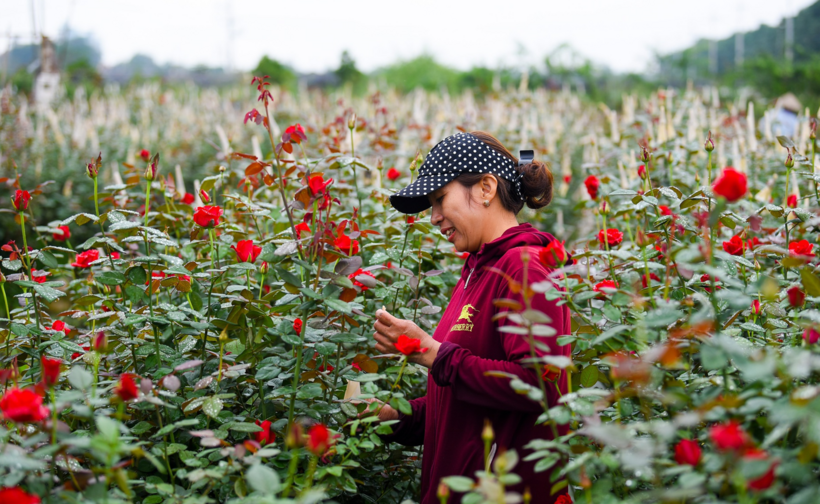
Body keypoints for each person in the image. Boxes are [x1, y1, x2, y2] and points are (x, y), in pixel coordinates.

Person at [370, 131, 572, 503]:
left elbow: (538, 385)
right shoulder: (476, 270)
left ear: (485, 188)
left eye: (439, 200)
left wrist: (432, 352)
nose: (434, 218)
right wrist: (391, 416)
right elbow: (463, 400)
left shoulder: (524, 267)